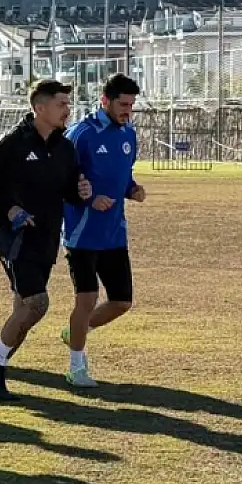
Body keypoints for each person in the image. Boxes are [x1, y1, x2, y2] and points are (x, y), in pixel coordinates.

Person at [0, 79, 92, 401]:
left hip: (47, 237)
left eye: (68, 103)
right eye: (61, 103)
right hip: (15, 237)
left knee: (24, 308)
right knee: (37, 303)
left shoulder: (65, 148)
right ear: (40, 107)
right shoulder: (13, 143)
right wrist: (8, 210)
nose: (68, 109)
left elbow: (69, 192)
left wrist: (81, 193)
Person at [60, 73, 145, 388]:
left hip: (114, 234)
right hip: (82, 233)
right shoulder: (81, 134)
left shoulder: (129, 135)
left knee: (121, 302)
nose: (128, 111)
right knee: (86, 299)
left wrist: (132, 189)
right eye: (123, 104)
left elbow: (123, 177)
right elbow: (63, 179)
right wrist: (90, 199)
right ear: (104, 101)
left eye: (132, 105)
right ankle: (76, 368)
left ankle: (74, 332)